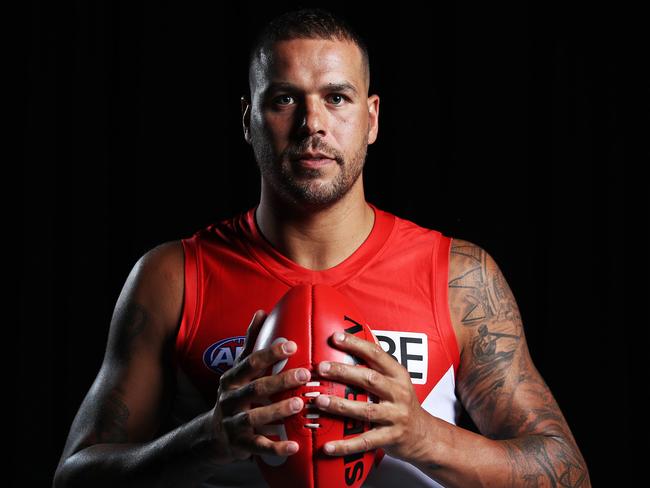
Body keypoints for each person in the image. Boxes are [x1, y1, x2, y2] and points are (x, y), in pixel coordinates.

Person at [53, 7, 590, 488]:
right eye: (285, 99)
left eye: (337, 98)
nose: (312, 124)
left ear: (372, 118)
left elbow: (566, 471)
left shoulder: (457, 275)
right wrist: (204, 440)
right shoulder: (174, 276)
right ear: (248, 121)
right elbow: (74, 475)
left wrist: (425, 436)